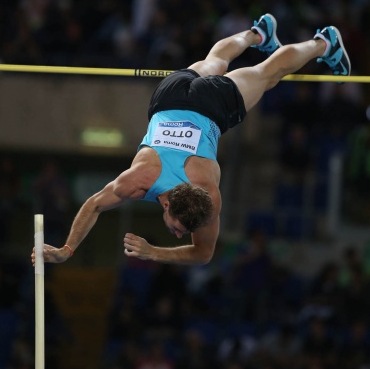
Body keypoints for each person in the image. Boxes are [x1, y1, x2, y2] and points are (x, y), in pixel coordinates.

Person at [32, 14, 350, 266]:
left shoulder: (175, 191)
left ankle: (285, 38)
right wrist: (70, 250)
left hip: (180, 96)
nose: (178, 233)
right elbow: (202, 253)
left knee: (240, 65)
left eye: (180, 229)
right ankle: (294, 39)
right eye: (180, 228)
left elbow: (96, 205)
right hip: (184, 102)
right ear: (168, 203)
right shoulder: (180, 191)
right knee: (263, 71)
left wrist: (69, 248)